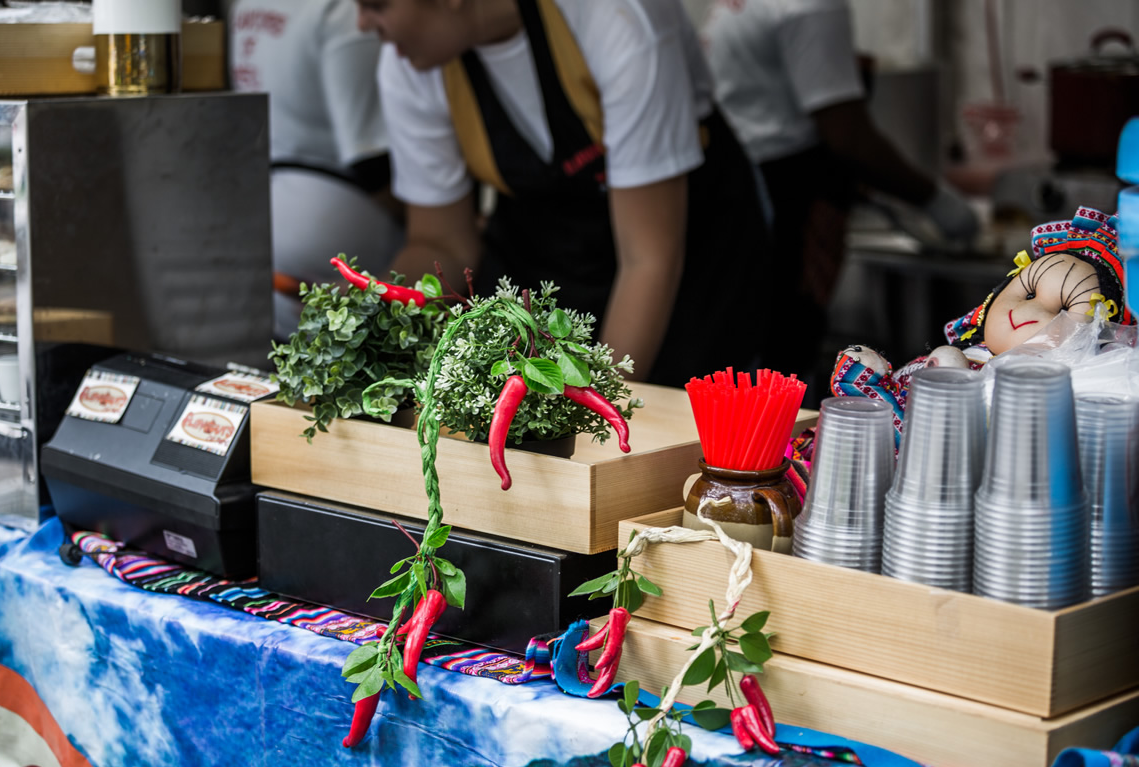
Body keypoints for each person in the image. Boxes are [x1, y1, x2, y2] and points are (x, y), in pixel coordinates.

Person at [354, 0, 774, 387]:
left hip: (684, 255)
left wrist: (595, 403)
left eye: (376, 4)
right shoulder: (413, 62)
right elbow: (443, 242)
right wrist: (365, 326)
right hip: (547, 248)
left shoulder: (617, 18)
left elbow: (649, 259)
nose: (362, 24)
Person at [701, 0, 980, 399]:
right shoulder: (811, 6)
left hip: (740, 184)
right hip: (784, 196)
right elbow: (847, 134)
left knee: (750, 345)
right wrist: (936, 200)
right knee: (781, 351)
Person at [832, 206, 1129, 445]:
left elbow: (921, 445)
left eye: (1064, 308)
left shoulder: (1025, 407)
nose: (1028, 309)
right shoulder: (975, 354)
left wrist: (862, 383)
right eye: (1028, 292)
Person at [229, 0, 404, 339]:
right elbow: (369, 157)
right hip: (339, 214)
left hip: (265, 212)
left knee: (298, 370)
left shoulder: (245, 5)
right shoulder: (342, 9)